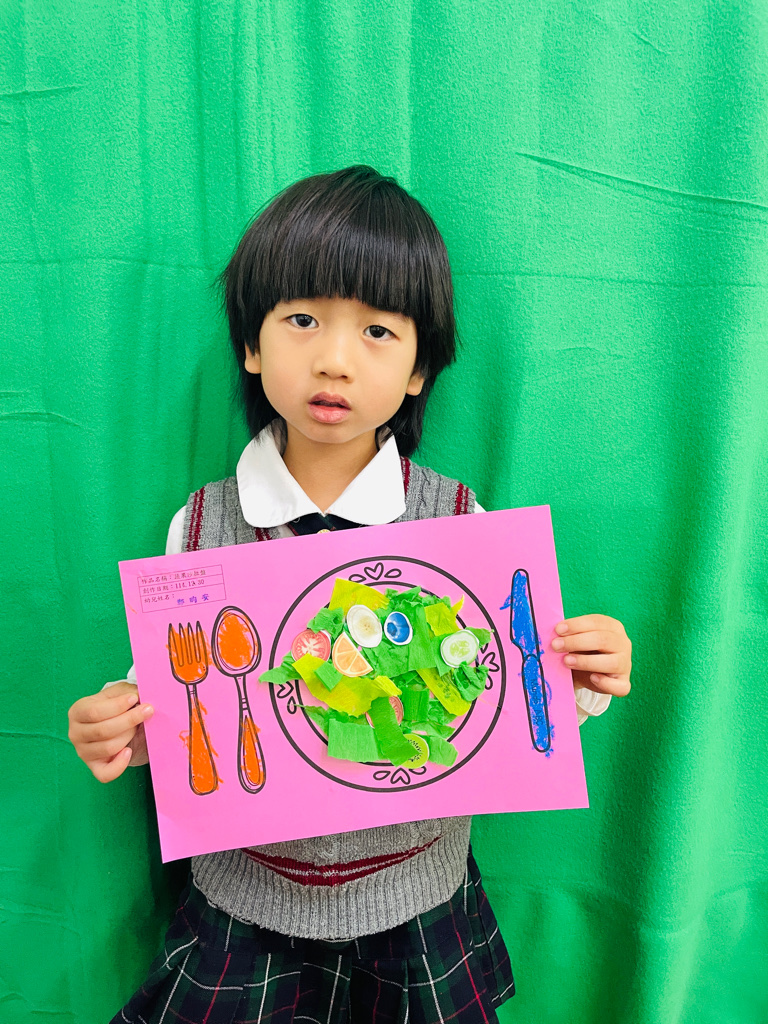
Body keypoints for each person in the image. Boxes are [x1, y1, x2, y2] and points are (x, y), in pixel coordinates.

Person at [68, 165, 632, 1023]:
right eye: (302, 320)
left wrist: (581, 678)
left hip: (417, 899)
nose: (334, 359)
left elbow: (503, 698)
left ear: (419, 369)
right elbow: (184, 706)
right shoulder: (200, 524)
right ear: (251, 345)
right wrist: (124, 726)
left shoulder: (460, 520)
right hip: (245, 901)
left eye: (377, 330)